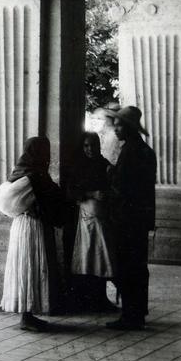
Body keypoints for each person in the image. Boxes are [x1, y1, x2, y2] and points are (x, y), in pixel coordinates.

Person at [1, 136, 66, 332]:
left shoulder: (19, 172)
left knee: (27, 267)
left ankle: (28, 315)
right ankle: (26, 317)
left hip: (21, 225)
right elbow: (53, 198)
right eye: (44, 151)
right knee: (30, 266)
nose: (47, 156)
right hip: (31, 227)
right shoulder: (35, 176)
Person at [105, 106, 156, 331]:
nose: (116, 129)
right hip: (139, 220)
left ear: (128, 128)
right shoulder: (144, 150)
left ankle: (130, 316)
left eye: (119, 125)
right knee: (138, 266)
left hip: (127, 220)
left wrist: (110, 175)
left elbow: (123, 187)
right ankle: (137, 312)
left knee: (128, 266)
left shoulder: (131, 152)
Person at [68, 132, 116, 311]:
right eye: (86, 146)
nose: (90, 149)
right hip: (86, 218)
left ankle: (101, 298)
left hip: (102, 216)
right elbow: (71, 191)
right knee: (87, 257)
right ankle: (88, 299)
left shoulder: (104, 164)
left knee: (102, 257)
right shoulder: (78, 167)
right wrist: (91, 194)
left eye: (93, 145)